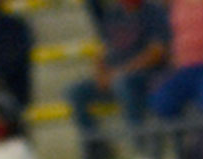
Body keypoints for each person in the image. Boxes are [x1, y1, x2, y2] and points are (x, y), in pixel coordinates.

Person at [67, 0, 172, 144]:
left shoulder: (153, 12)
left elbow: (157, 52)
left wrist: (121, 72)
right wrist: (100, 73)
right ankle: (94, 149)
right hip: (115, 76)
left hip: (145, 77)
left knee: (124, 84)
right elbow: (103, 49)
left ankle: (141, 147)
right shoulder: (114, 13)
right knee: (75, 91)